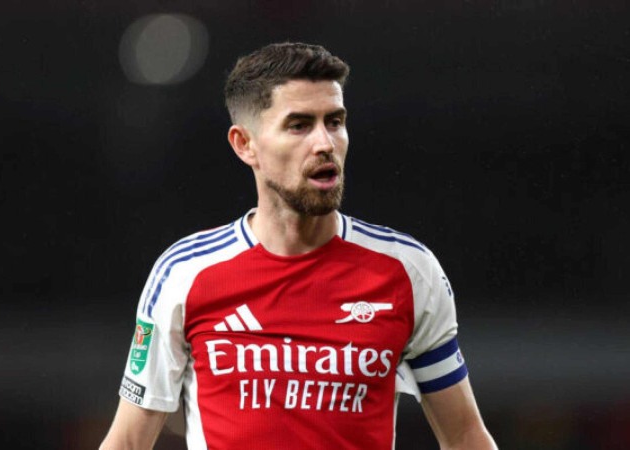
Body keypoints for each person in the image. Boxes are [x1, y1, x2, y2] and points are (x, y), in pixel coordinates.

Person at [100, 42, 497, 450]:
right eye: (299, 125)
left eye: (335, 122)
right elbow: (128, 441)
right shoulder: (185, 273)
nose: (325, 143)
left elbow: (465, 436)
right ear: (244, 144)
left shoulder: (408, 271)